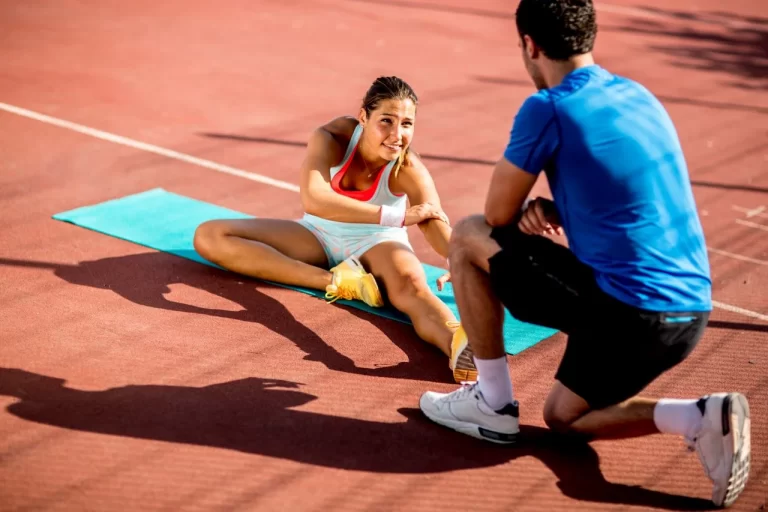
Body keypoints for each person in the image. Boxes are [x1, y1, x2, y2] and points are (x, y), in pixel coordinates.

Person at [418, 0, 750, 507]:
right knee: (562, 418)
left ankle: (492, 403)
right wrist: (556, 206)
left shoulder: (548, 106)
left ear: (531, 45)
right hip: (688, 313)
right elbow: (627, 204)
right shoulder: (637, 95)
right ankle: (703, 415)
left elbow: (497, 215)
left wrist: (527, 209)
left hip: (628, 313)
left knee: (466, 236)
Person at [193, 76, 477, 383]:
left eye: (407, 124)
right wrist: (394, 216)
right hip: (320, 232)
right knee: (210, 235)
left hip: (379, 242)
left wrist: (456, 257)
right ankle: (339, 281)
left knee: (412, 288)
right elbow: (315, 198)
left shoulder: (409, 169)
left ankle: (459, 345)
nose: (397, 135)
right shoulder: (333, 137)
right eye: (386, 121)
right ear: (363, 116)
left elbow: (433, 221)